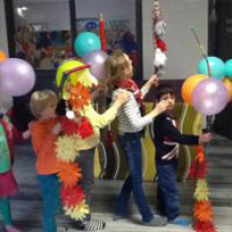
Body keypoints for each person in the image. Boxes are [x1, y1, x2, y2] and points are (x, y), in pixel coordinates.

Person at [105, 49, 169, 226]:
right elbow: (136, 123)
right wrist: (157, 111)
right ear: (122, 71)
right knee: (137, 178)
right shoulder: (123, 94)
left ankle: (119, 208)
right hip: (130, 138)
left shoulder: (126, 87)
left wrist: (148, 84)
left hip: (129, 137)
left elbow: (136, 96)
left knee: (134, 175)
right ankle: (147, 217)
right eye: (129, 63)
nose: (132, 63)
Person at [152, 83, 212, 225]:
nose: (170, 101)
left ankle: (162, 209)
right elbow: (179, 138)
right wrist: (199, 139)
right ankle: (172, 215)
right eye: (165, 99)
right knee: (170, 188)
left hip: (168, 159)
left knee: (163, 186)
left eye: (172, 97)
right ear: (158, 102)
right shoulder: (162, 121)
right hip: (165, 161)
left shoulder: (168, 117)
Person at [29, 90, 67, 232]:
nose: (55, 107)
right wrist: (53, 133)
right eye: (51, 106)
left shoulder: (54, 120)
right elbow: (42, 151)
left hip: (57, 169)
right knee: (50, 208)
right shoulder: (37, 128)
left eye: (54, 104)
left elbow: (65, 123)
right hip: (47, 173)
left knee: (55, 204)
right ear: (41, 112)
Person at [0, 108, 22, 232]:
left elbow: (15, 136)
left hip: (3, 167)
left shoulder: (4, 121)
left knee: (4, 197)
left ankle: (8, 223)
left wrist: (10, 130)